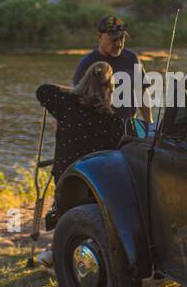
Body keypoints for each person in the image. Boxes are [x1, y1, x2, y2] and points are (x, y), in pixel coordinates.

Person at [33, 62, 125, 269]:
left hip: (66, 177)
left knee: (66, 213)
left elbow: (43, 90)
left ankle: (60, 252)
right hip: (95, 182)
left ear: (84, 81)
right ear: (109, 90)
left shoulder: (66, 102)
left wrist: (75, 90)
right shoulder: (113, 120)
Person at [72, 14, 153, 126]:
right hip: (98, 129)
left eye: (121, 38)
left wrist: (150, 124)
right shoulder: (87, 63)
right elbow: (76, 99)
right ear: (100, 36)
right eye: (113, 39)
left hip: (127, 129)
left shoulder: (132, 58)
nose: (119, 44)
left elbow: (142, 92)